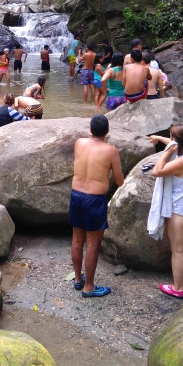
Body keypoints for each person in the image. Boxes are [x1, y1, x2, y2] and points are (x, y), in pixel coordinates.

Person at [69, 115, 124, 297]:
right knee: (93, 244)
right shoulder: (111, 151)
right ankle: (89, 287)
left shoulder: (79, 143)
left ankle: (78, 279)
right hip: (94, 199)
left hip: (76, 196)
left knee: (77, 241)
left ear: (90, 130)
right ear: (107, 131)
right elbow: (119, 180)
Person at [150, 124, 183, 298]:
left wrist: (165, 153)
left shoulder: (181, 161)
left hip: (180, 213)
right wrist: (159, 138)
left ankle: (178, 288)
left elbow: (157, 171)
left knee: (178, 250)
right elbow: (173, 143)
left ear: (176, 141)